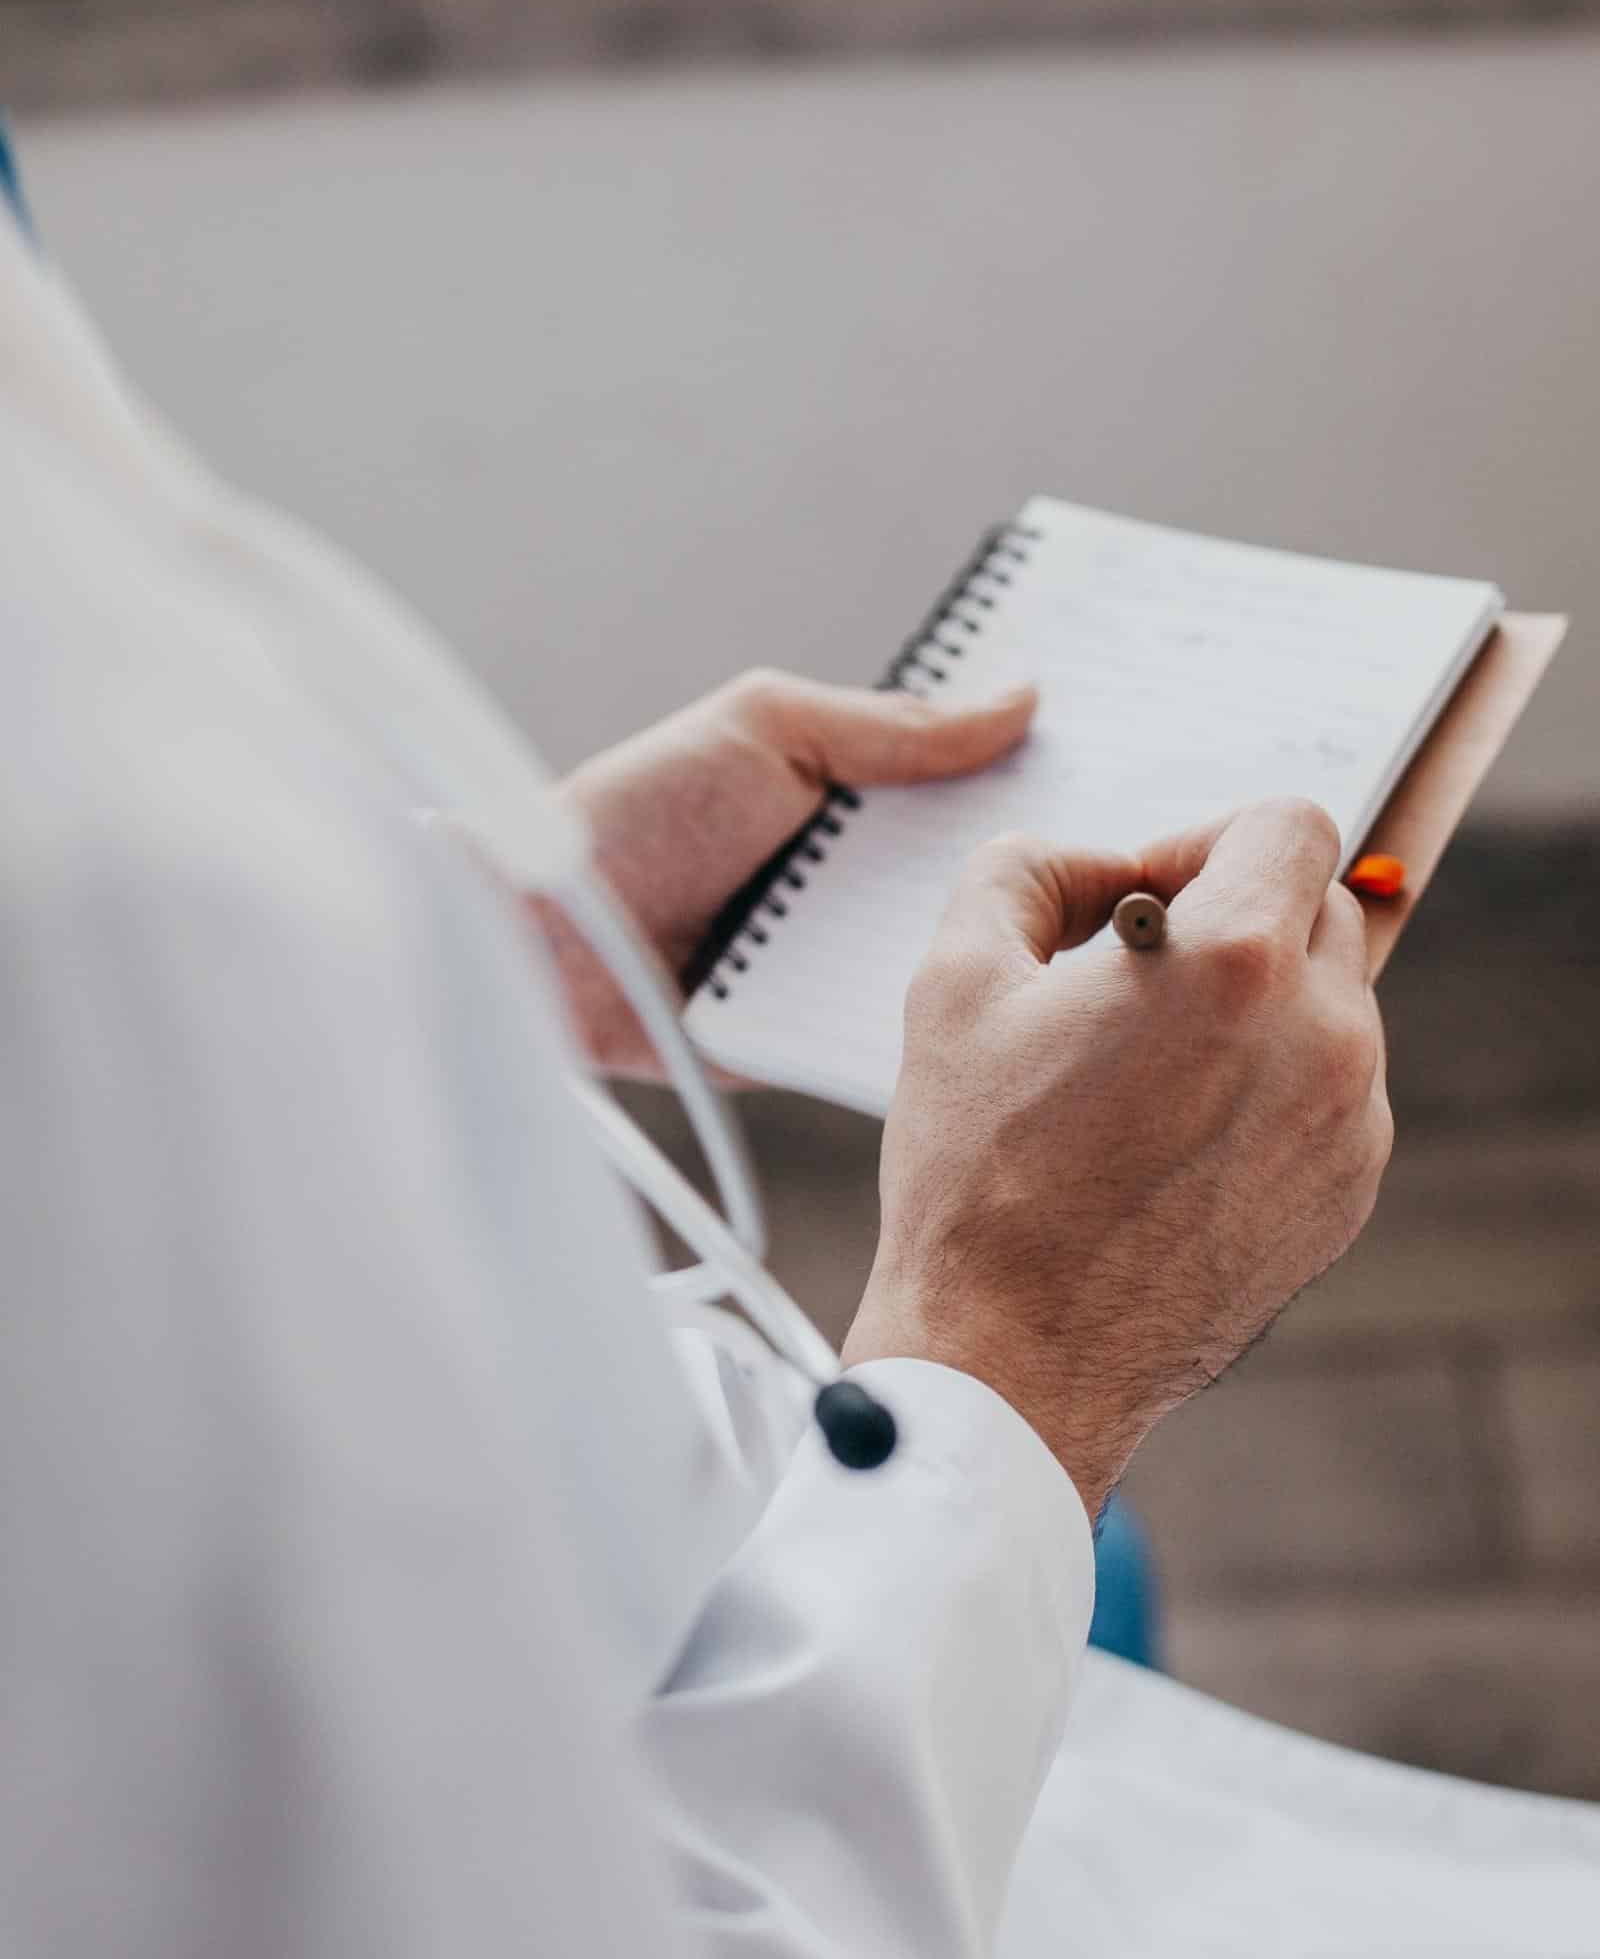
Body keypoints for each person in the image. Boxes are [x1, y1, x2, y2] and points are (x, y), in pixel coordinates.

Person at [3, 134, 1597, 1959]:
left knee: (1093, 1584)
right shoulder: (95, 905)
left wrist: (489, 942)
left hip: (646, 1523)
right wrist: (1026, 1342)